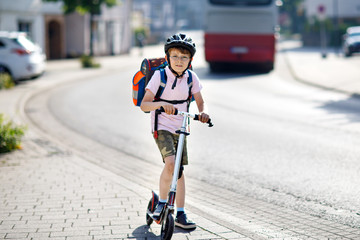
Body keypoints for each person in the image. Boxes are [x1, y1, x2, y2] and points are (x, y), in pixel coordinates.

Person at [140, 33, 210, 230]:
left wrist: (203, 113)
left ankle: (180, 213)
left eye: (184, 57)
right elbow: (144, 105)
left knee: (178, 171)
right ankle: (162, 202)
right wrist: (161, 104)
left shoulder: (191, 77)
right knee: (170, 163)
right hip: (162, 126)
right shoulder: (159, 76)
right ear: (167, 58)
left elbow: (200, 100)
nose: (179, 61)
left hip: (181, 128)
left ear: (191, 60)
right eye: (175, 56)